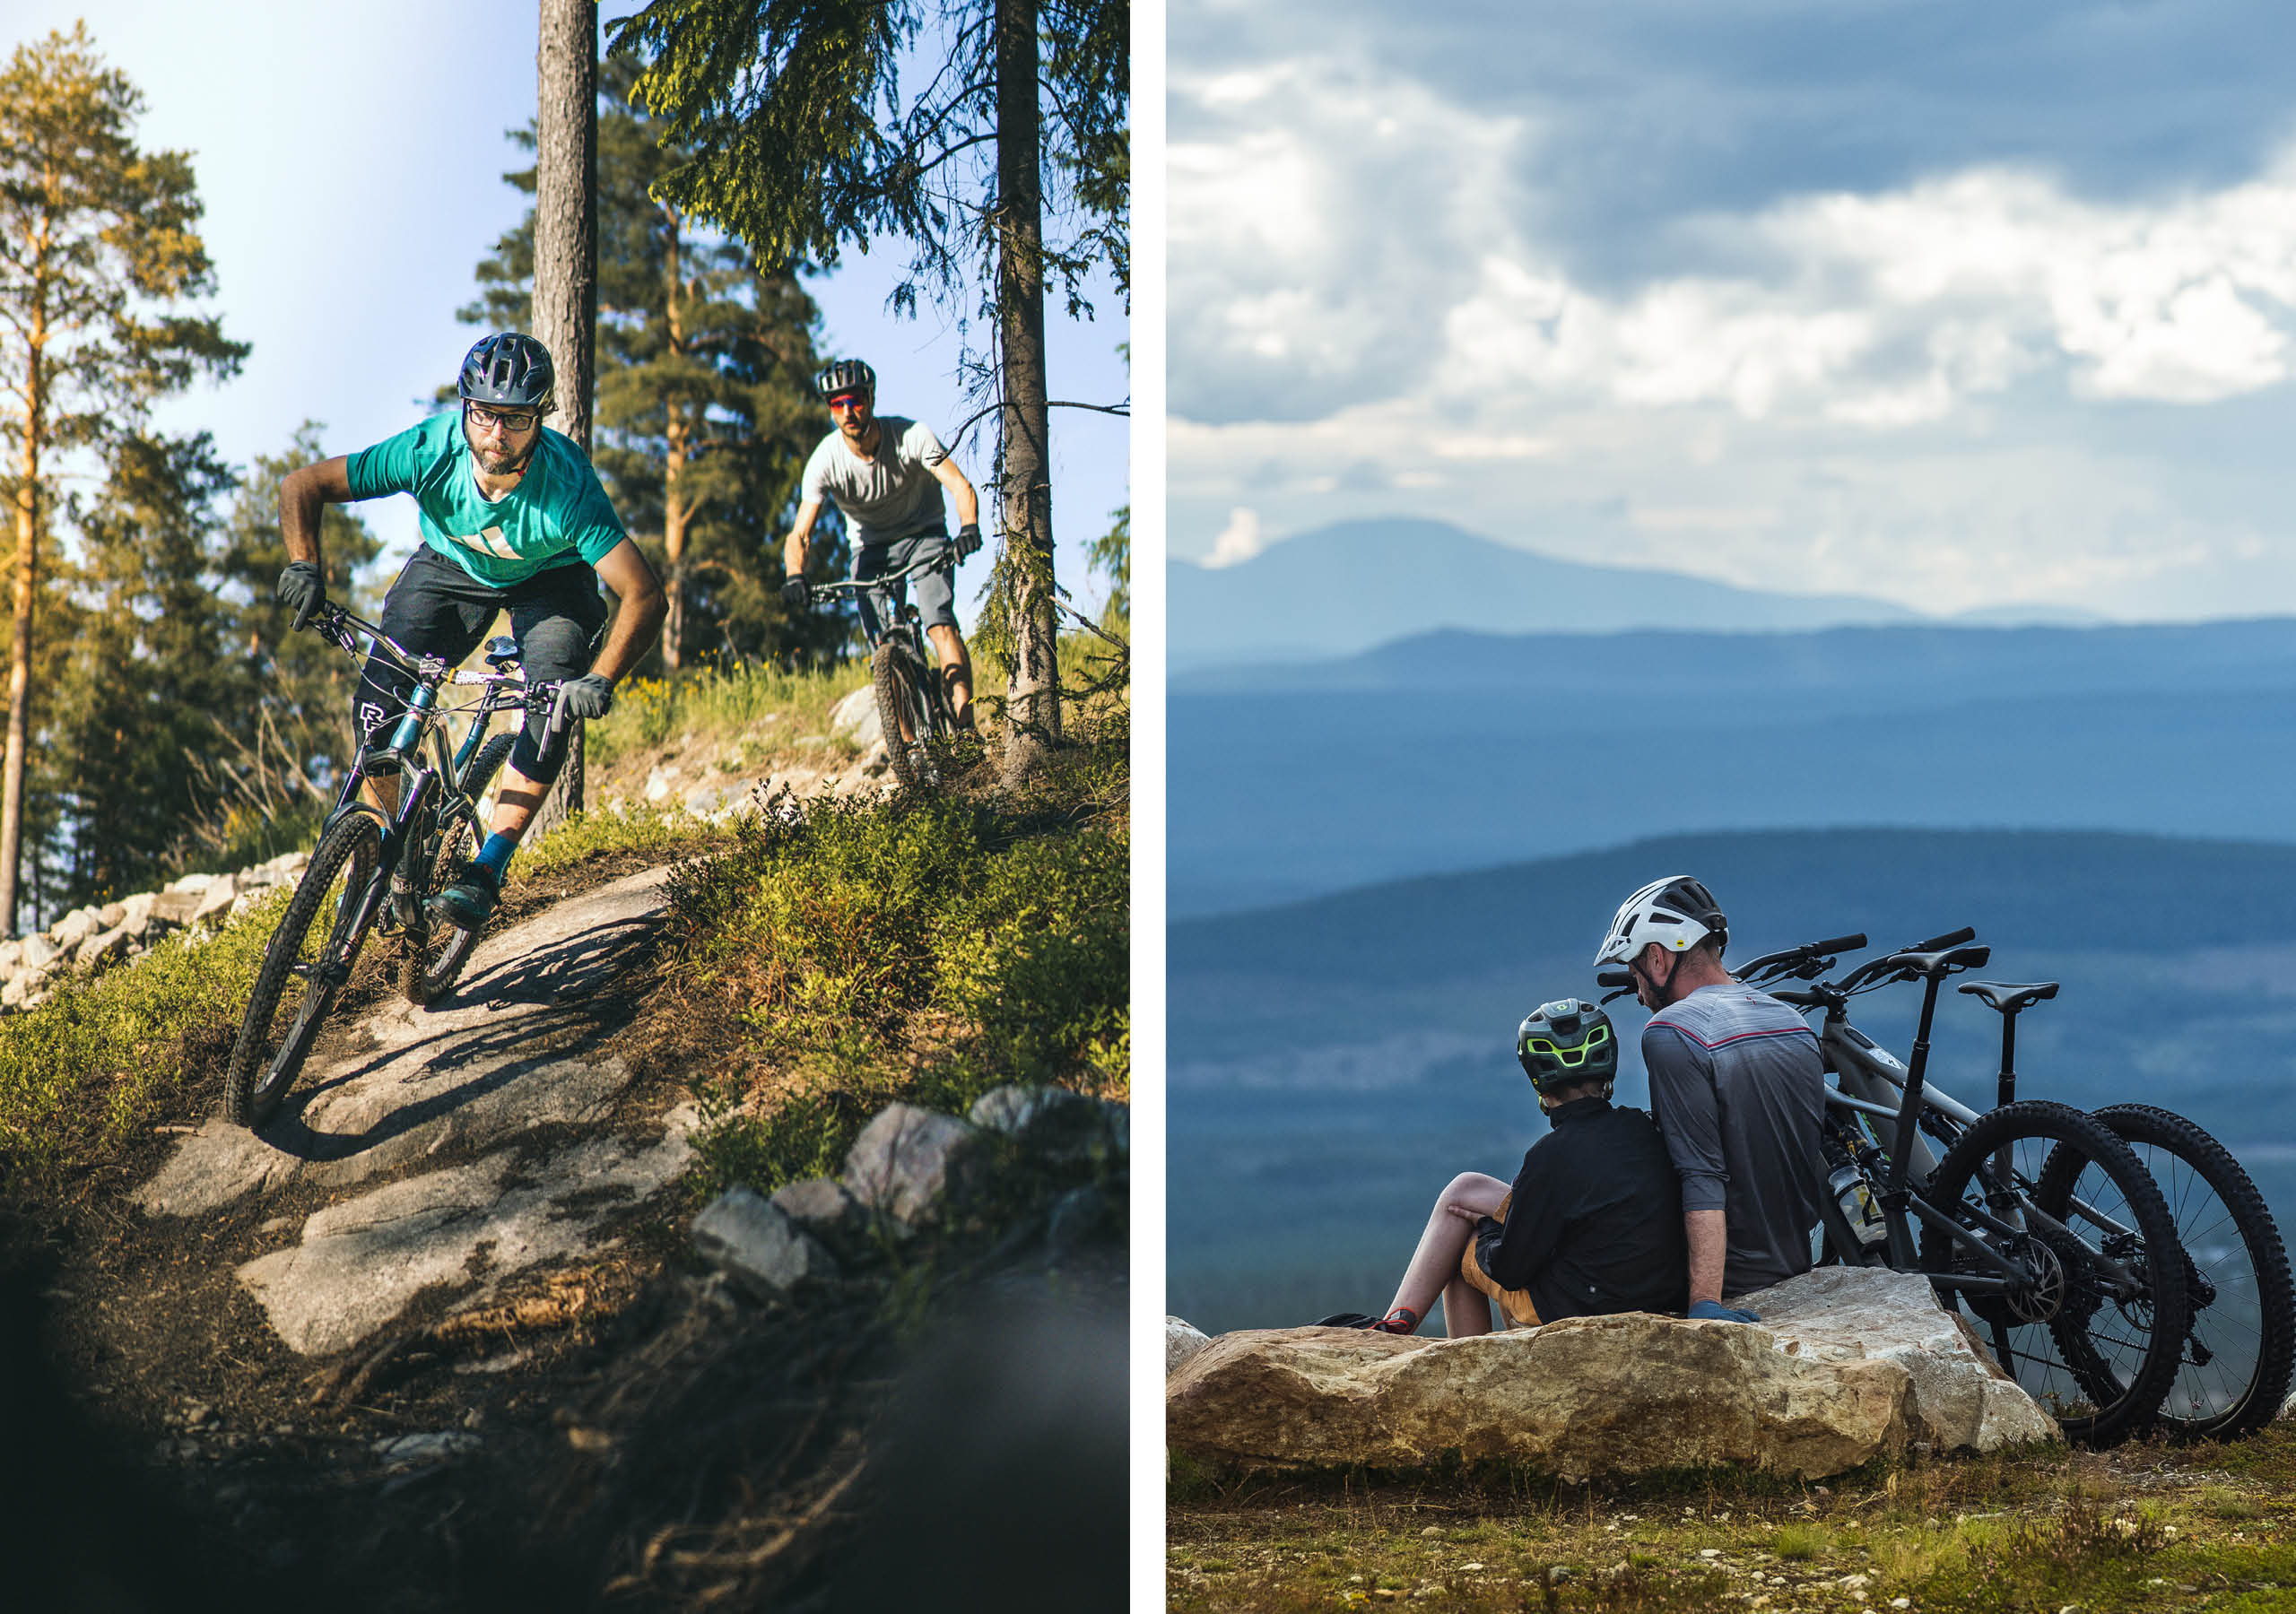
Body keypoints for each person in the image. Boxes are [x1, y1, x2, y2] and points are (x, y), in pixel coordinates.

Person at [273, 331, 666, 931]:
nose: (495, 434)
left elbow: (643, 593)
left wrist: (601, 677)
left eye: (514, 419)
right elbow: (303, 485)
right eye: (483, 415)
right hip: (453, 565)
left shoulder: (568, 489)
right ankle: (379, 845)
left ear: (539, 419)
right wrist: (304, 563)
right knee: (382, 700)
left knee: (552, 695)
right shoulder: (430, 449)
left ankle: (487, 868)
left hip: (552, 579)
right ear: (466, 408)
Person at [1320, 998, 1689, 1337]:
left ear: (1538, 1080)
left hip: (1583, 1305)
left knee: (1460, 1247)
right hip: (1653, 1291)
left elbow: (1512, 1271)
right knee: (1467, 1187)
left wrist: (1487, 1233)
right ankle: (1398, 1319)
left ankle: (1430, 1343)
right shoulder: (1645, 1127)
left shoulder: (1549, 1157)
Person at [1594, 874, 1826, 1323]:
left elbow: (1701, 1172)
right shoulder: (1790, 1019)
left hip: (1734, 1279)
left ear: (1657, 958)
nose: (1638, 993)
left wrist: (1704, 1303)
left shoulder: (1672, 1032)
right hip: (1797, 1263)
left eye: (1634, 972)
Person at [778, 358, 985, 730]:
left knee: (939, 626)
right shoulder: (826, 459)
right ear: (830, 410)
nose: (848, 412)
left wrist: (968, 527)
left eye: (855, 400)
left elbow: (959, 485)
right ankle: (906, 749)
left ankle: (966, 728)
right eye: (837, 404)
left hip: (924, 536)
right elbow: (800, 533)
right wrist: (795, 574)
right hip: (870, 549)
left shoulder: (912, 436)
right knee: (881, 652)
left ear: (871, 398)